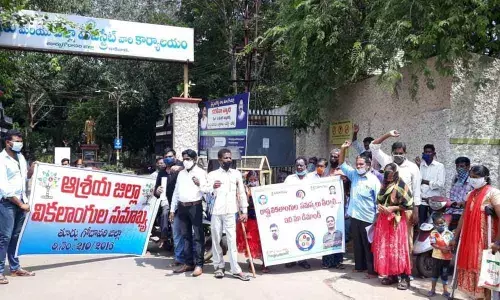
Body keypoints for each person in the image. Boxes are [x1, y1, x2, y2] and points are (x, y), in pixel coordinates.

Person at [370, 130, 420, 261]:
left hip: (405, 209)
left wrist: (416, 211)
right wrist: (388, 135)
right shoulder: (387, 161)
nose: (398, 155)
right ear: (392, 153)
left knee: (405, 240)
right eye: (396, 153)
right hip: (388, 211)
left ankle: (405, 272)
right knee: (389, 240)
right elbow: (373, 146)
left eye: (401, 153)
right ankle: (391, 272)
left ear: (405, 153)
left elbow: (416, 190)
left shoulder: (413, 167)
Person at [451, 165, 500, 299]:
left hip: (488, 242)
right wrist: (455, 237)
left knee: (487, 274)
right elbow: (464, 216)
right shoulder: (470, 195)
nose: (473, 180)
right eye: (471, 177)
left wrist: (498, 242)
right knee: (476, 273)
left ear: (485, 178)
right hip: (471, 241)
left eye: (476, 177)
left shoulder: (493, 193)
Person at [339, 141, 380, 277]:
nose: (359, 166)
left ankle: (371, 271)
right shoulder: (353, 175)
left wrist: (377, 219)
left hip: (369, 218)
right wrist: (343, 149)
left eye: (361, 164)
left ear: (368, 166)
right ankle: (359, 266)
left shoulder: (374, 180)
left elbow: (378, 201)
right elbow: (341, 164)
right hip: (354, 216)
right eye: (357, 164)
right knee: (357, 243)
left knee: (369, 246)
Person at [207, 148, 250, 281]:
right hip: (216, 211)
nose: (229, 160)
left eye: (230, 158)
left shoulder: (236, 174)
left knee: (232, 240)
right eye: (226, 158)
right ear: (220, 160)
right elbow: (206, 190)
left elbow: (242, 193)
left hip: (231, 211)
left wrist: (245, 211)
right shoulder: (212, 175)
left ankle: (235, 269)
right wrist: (212, 187)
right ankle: (219, 267)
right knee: (216, 239)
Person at [0, 129, 36, 284]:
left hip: (22, 202)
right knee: (5, 237)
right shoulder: (1, 159)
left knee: (16, 237)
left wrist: (33, 169)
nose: (19, 144)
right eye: (16, 141)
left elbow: (24, 177)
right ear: (8, 142)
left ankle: (15, 268)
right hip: (8, 203)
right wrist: (21, 204)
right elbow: (4, 188)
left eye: (21, 141)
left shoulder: (21, 157)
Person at [372, 163, 413, 290]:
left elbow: (408, 205)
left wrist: (392, 208)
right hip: (384, 220)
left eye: (391, 175)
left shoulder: (402, 185)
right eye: (387, 174)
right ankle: (392, 275)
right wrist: (380, 207)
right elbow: (379, 199)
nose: (389, 177)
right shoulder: (384, 184)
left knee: (399, 247)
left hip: (396, 220)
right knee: (387, 248)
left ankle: (405, 277)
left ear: (396, 174)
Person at [169, 149, 209, 277]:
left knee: (197, 236)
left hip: (195, 207)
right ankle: (188, 263)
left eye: (188, 159)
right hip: (182, 207)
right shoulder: (181, 174)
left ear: (195, 159)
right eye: (184, 159)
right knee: (185, 236)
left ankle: (199, 265)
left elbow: (207, 190)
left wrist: (199, 184)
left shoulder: (201, 173)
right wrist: (171, 209)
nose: (185, 161)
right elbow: (176, 192)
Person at [236, 171, 268, 273]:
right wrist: (247, 193)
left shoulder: (263, 190)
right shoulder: (244, 191)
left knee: (263, 242)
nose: (253, 182)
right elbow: (241, 204)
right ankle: (250, 262)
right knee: (250, 243)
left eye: (255, 180)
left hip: (261, 220)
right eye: (251, 180)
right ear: (247, 180)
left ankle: (265, 263)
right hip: (249, 220)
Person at [284, 156, 311, 269]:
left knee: (304, 234)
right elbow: (283, 193)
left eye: (301, 165)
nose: (299, 167)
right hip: (293, 212)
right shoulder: (290, 179)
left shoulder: (311, 179)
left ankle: (302, 259)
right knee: (292, 235)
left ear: (306, 166)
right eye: (297, 165)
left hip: (306, 213)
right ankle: (291, 259)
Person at [154, 152, 180, 254]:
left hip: (181, 201)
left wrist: (180, 168)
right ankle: (164, 237)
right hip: (166, 200)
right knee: (165, 212)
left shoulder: (180, 169)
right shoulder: (161, 173)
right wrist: (157, 190)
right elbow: (156, 189)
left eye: (170, 156)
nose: (168, 159)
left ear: (175, 157)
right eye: (166, 157)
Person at [415, 144, 445, 225]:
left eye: (429, 152)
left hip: (434, 200)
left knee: (434, 223)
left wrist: (425, 181)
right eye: (425, 152)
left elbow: (440, 184)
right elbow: (417, 182)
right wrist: (417, 167)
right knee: (421, 224)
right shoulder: (421, 165)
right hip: (422, 200)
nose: (427, 154)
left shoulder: (439, 166)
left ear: (434, 154)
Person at [428, 214, 453, 298]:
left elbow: (452, 245)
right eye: (438, 224)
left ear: (445, 223)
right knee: (434, 274)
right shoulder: (433, 233)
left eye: (442, 223)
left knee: (445, 274)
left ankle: (445, 291)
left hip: (446, 258)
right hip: (436, 257)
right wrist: (441, 248)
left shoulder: (449, 233)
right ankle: (432, 289)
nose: (440, 225)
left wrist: (449, 248)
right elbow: (433, 244)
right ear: (434, 224)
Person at [445, 157, 473, 230]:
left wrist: (462, 203)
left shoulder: (472, 180)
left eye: (462, 166)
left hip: (463, 212)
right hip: (451, 210)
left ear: (468, 167)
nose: (459, 168)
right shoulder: (455, 178)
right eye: (457, 166)